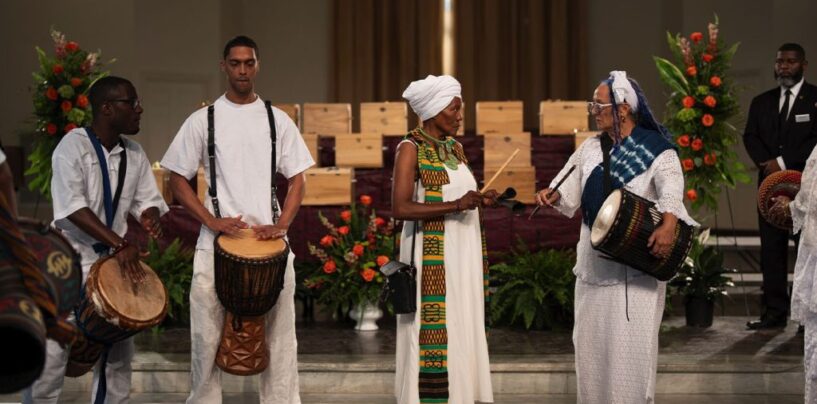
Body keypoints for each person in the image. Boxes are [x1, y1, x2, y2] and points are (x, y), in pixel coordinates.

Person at [161, 35, 314, 404]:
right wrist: (210, 220)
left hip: (271, 245)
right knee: (205, 336)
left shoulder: (277, 120)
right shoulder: (203, 120)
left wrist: (283, 224)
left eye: (249, 63)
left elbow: (298, 178)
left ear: (258, 65)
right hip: (213, 246)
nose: (242, 70)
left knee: (281, 338)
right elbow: (176, 178)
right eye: (235, 63)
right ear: (223, 66)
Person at [535, 71, 696, 403]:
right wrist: (552, 195)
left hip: (634, 273)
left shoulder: (657, 150)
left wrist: (668, 224)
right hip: (593, 267)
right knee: (590, 354)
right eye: (592, 105)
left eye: (599, 105)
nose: (594, 111)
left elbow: (671, 188)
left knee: (631, 357)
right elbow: (567, 190)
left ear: (623, 109)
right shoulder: (589, 148)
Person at [23, 75, 168, 404]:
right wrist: (120, 243)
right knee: (52, 357)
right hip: (67, 262)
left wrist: (150, 216)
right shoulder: (72, 147)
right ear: (107, 108)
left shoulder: (134, 153)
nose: (139, 109)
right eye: (132, 103)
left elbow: (147, 200)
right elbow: (73, 208)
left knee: (118, 356)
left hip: (113, 263)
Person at [392, 74, 498, 404]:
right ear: (434, 110)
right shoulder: (410, 148)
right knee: (435, 324)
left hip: (463, 253)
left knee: (463, 321)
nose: (460, 115)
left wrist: (479, 198)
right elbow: (400, 207)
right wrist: (456, 205)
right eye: (454, 108)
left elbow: (460, 194)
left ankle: (462, 396)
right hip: (432, 258)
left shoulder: (455, 148)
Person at [744, 43, 817, 330]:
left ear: (804, 65)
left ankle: (805, 317)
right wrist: (768, 163)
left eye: (790, 61)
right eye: (779, 62)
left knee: (806, 250)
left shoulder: (815, 100)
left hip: (807, 189)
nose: (784, 66)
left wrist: (783, 162)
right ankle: (774, 314)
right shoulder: (761, 102)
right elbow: (750, 136)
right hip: (770, 190)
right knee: (771, 252)